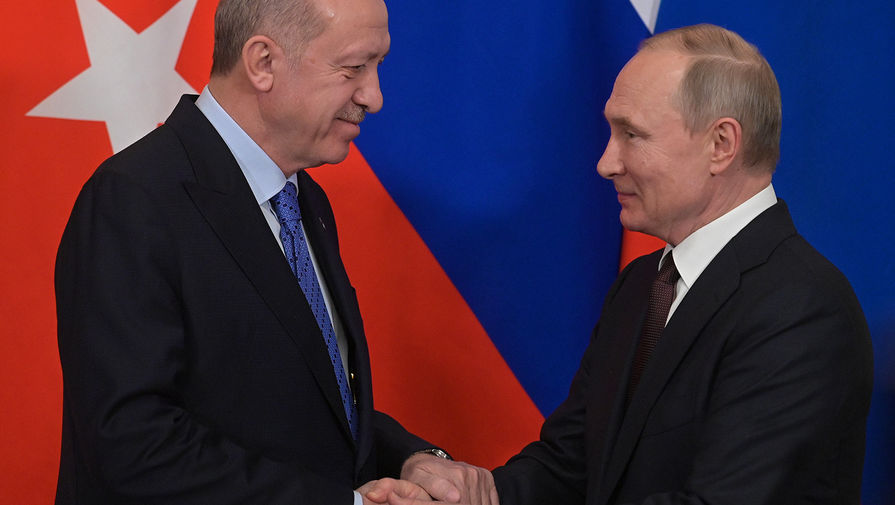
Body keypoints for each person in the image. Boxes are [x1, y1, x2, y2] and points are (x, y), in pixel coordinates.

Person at [53, 0, 490, 503]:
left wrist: (411, 458)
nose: (374, 97)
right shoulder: (133, 199)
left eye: (378, 66)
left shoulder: (304, 199)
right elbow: (133, 446)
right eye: (353, 68)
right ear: (263, 63)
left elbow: (310, 401)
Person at [428, 23, 874, 504]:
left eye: (632, 134)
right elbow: (571, 468)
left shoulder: (802, 307)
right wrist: (472, 496)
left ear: (721, 144)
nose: (606, 163)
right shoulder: (643, 284)